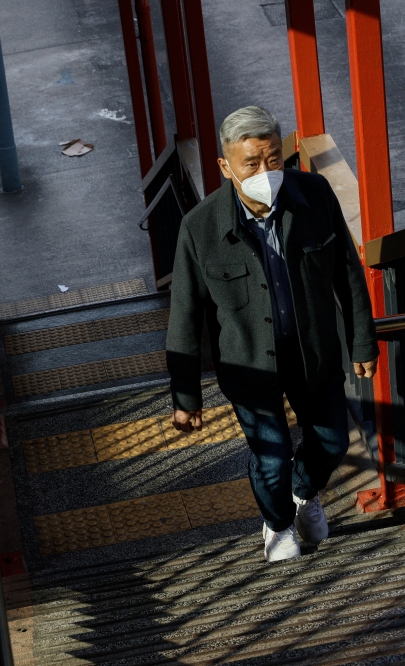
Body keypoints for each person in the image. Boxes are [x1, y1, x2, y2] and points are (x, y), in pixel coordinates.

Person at [165, 106, 379, 562]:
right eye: (252, 164)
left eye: (275, 159)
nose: (267, 172)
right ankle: (279, 525)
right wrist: (185, 396)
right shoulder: (199, 227)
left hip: (314, 352)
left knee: (333, 443)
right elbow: (185, 314)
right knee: (270, 456)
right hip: (249, 364)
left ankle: (305, 492)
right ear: (225, 167)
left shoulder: (314, 195)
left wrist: (362, 338)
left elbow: (347, 270)